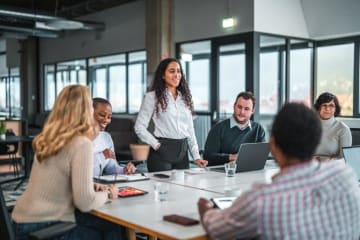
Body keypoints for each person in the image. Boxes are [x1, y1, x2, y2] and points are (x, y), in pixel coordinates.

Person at [198, 102, 360, 239]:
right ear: (317, 140)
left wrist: (205, 208)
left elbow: (215, 229)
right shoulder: (345, 175)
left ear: (273, 145)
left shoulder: (262, 201)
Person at [12, 85, 124, 240]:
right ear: (86, 111)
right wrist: (108, 194)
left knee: (105, 225)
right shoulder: (81, 143)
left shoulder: (49, 138)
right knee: (113, 226)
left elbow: (58, 180)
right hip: (47, 228)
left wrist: (90, 185)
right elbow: (85, 203)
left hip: (20, 223)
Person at [134, 58, 208, 172]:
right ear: (163, 75)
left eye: (179, 71)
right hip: (161, 153)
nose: (176, 75)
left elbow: (190, 130)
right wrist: (156, 145)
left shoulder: (185, 99)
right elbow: (139, 127)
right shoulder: (152, 97)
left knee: (183, 189)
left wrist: (196, 156)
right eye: (172, 71)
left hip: (182, 154)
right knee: (162, 189)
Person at [203, 91, 266, 166]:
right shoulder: (218, 129)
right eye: (239, 107)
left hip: (249, 172)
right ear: (234, 106)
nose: (242, 112)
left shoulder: (258, 129)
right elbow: (208, 156)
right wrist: (232, 157)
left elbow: (261, 156)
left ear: (252, 111)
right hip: (222, 174)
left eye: (246, 109)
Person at [92, 97, 136, 176]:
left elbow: (110, 167)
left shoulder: (106, 137)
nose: (106, 120)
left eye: (109, 117)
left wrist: (124, 170)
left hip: (99, 185)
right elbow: (80, 170)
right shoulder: (79, 138)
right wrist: (102, 155)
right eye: (102, 115)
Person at [314, 92, 352, 158]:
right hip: (310, 165)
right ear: (319, 107)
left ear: (335, 109)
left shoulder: (343, 129)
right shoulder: (309, 126)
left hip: (333, 166)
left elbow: (345, 158)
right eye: (324, 105)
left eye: (331, 105)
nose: (327, 109)